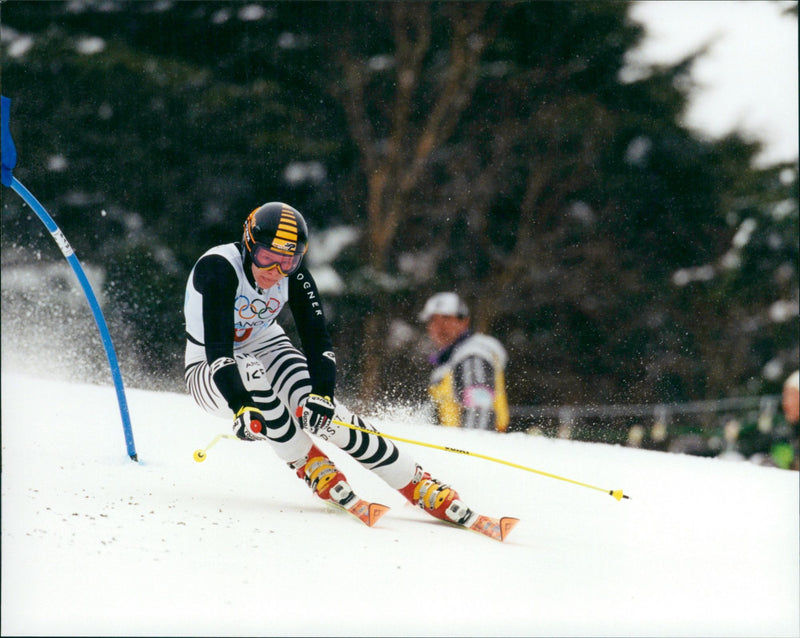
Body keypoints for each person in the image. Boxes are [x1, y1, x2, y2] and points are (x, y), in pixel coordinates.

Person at [183, 202, 480, 527]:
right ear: (249, 245)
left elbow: (317, 342)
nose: (275, 271)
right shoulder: (219, 268)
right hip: (208, 368)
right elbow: (219, 350)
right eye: (267, 257)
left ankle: (416, 482)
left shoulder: (293, 276)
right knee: (250, 376)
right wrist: (242, 406)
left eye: (287, 261)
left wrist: (322, 395)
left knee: (322, 411)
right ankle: (307, 462)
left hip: (267, 345)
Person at [419, 292, 510, 432]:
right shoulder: (449, 362)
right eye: (433, 320)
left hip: (467, 448)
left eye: (446, 318)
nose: (439, 326)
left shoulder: (473, 356)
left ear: (464, 321)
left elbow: (480, 412)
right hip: (454, 446)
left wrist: (466, 451)